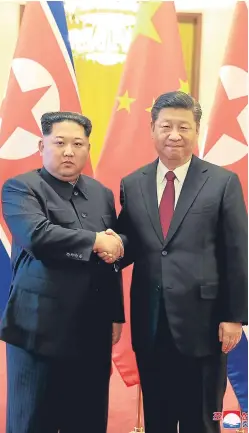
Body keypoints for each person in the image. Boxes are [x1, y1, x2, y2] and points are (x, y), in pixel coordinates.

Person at [104, 91, 248, 433]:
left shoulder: (223, 182)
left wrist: (234, 316)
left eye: (184, 127)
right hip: (151, 320)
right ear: (152, 128)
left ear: (197, 131)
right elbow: (131, 241)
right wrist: (104, 246)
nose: (174, 135)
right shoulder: (133, 183)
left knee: (203, 418)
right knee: (159, 417)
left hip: (206, 321)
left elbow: (237, 253)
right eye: (166, 126)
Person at [0, 111, 124, 433]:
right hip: (38, 328)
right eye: (60, 142)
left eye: (78, 143)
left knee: (87, 421)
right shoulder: (20, 188)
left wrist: (115, 314)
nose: (69, 151)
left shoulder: (101, 193)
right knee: (32, 422)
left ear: (87, 148)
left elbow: (110, 256)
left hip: (92, 330)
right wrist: (96, 241)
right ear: (42, 146)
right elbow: (38, 237)